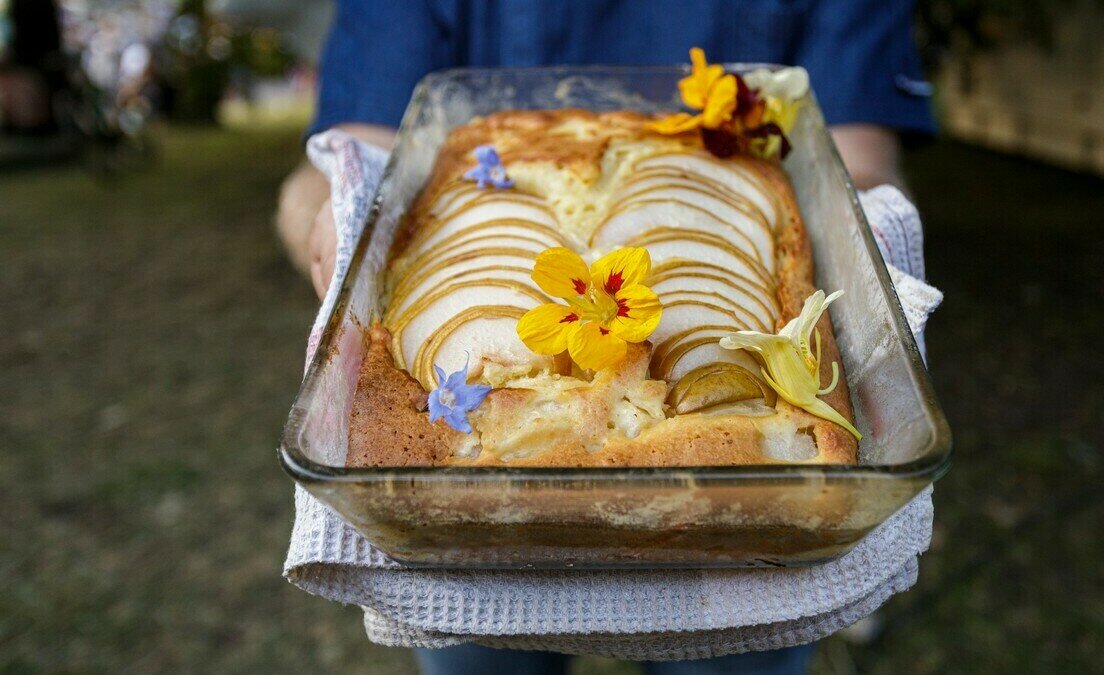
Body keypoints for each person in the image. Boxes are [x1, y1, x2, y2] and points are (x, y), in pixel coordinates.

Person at [276, 2, 933, 672]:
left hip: (751, 563)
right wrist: (336, 219)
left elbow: (854, 163)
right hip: (464, 570)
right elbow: (349, 153)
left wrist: (872, 230)